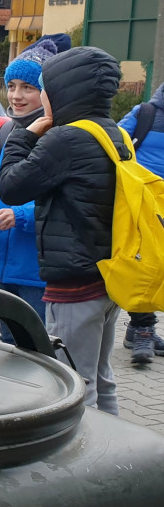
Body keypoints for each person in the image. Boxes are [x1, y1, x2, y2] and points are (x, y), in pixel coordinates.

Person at [0, 46, 122, 415]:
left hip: (75, 280)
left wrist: (26, 134)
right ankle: (116, 454)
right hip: (108, 276)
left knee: (74, 386)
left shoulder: (65, 139)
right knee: (101, 377)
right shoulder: (110, 131)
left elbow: (11, 186)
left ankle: (89, 465)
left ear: (64, 91)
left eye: (43, 86)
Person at [0, 38, 64, 342]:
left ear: (47, 93)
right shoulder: (4, 132)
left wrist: (20, 215)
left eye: (28, 88)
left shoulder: (59, 136)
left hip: (35, 266)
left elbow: (63, 199)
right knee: (8, 340)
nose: (16, 96)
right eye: (12, 85)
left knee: (37, 343)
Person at [117, 80, 164, 363]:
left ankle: (141, 328)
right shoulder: (145, 112)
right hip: (143, 201)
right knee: (145, 264)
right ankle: (143, 327)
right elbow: (116, 142)